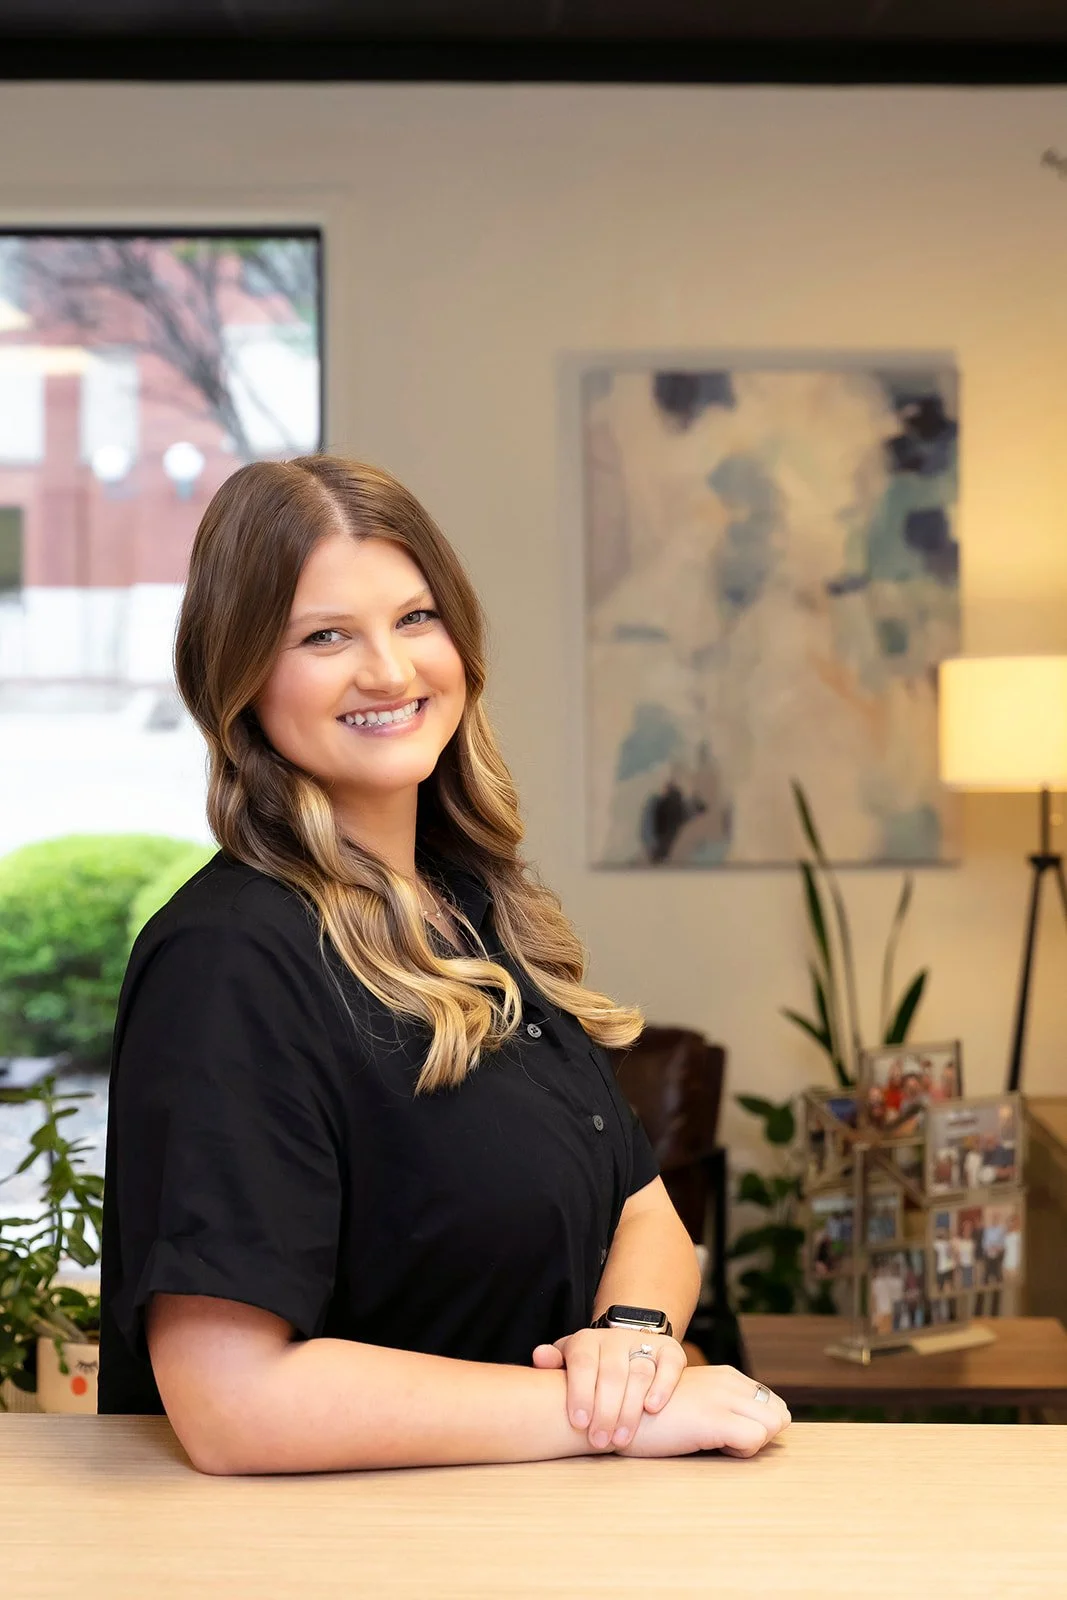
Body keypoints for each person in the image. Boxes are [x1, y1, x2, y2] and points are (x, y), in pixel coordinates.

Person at [96, 455, 789, 1475]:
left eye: (415, 618)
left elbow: (641, 1206)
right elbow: (229, 1403)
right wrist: (607, 1415)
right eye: (324, 635)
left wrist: (632, 1344)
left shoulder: (468, 905)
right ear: (238, 676)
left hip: (525, 1540)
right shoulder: (229, 961)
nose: (388, 670)